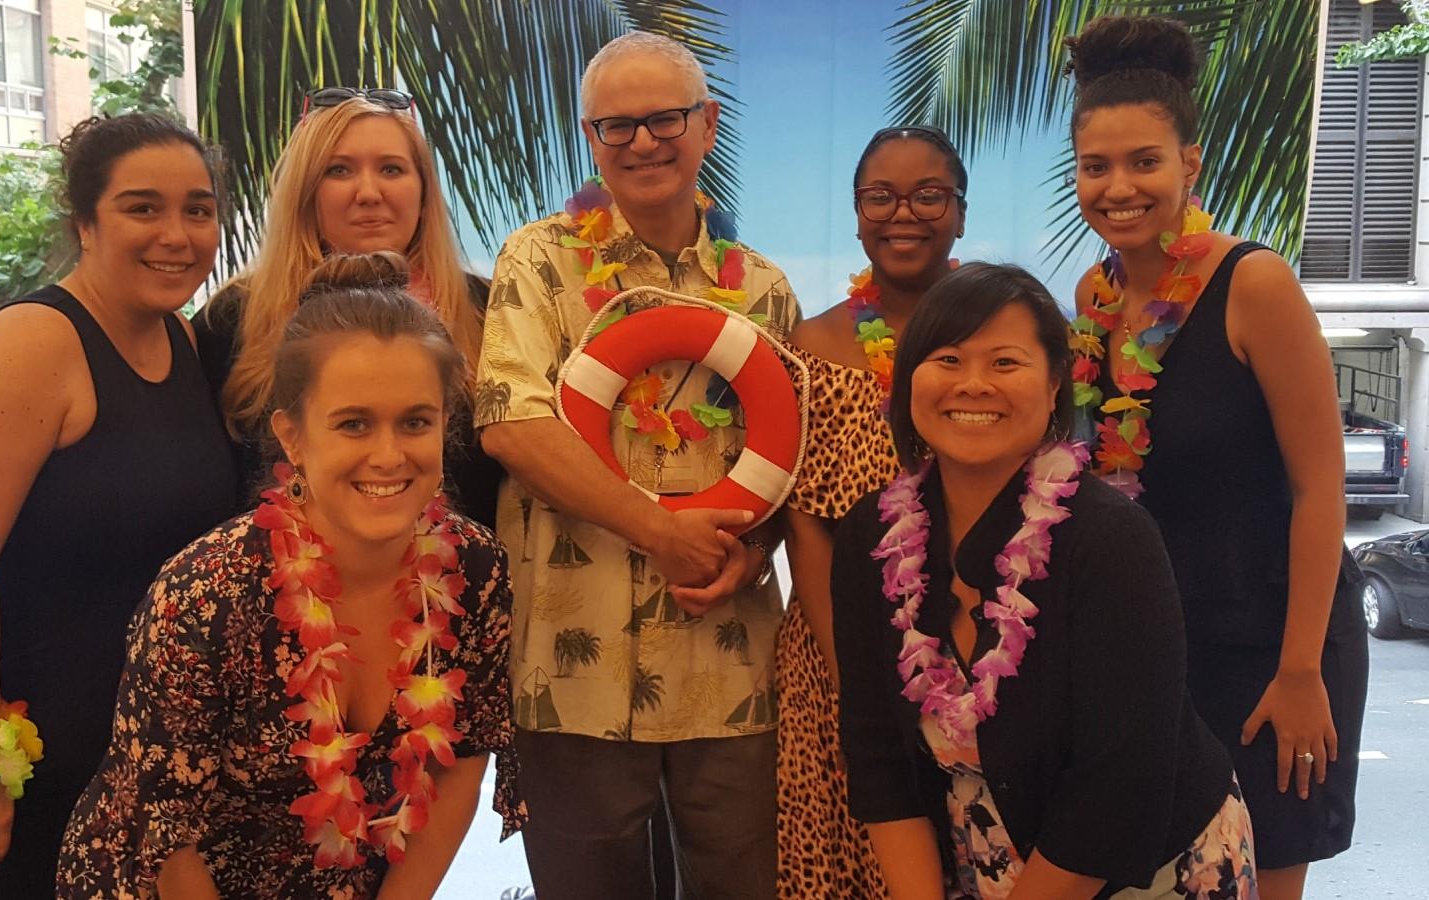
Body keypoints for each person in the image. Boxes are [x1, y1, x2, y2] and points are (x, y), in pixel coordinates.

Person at [0, 113, 238, 898]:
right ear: (85, 222)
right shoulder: (35, 339)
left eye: (198, 209)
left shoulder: (184, 342)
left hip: (113, 748)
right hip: (4, 742)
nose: (177, 233)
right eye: (143, 207)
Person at [58, 253, 519, 898]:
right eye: (353, 423)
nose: (389, 455)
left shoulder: (476, 570)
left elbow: (458, 772)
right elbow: (164, 841)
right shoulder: (206, 594)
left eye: (416, 421)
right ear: (293, 437)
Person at [475, 31, 800, 899]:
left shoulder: (763, 290)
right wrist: (659, 530)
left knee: (747, 885)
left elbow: (784, 459)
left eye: (665, 119)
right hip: (573, 665)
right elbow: (511, 424)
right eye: (618, 127)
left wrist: (751, 550)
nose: (644, 142)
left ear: (708, 125)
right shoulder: (538, 261)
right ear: (591, 139)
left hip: (727, 657)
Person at [833, 262, 1257, 900]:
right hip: (983, 855)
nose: (973, 385)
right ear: (909, 376)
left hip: (1147, 869)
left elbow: (1119, 783)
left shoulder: (1111, 539)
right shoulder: (872, 531)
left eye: (1005, 363)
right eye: (947, 358)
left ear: (1056, 384)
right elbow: (875, 752)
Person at [1063, 16, 1367, 898]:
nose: (1119, 187)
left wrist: (1301, 669)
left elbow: (1320, 489)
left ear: (1189, 165)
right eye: (1096, 167)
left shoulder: (1254, 285)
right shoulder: (1098, 293)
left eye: (1144, 162)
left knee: (1263, 876)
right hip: (1161, 638)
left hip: (1272, 641)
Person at [775, 125, 967, 899]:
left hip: (984, 656)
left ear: (959, 211)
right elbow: (806, 525)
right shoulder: (810, 347)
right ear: (856, 216)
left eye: (928, 195)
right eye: (880, 197)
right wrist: (854, 673)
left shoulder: (1001, 335)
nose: (903, 214)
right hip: (838, 663)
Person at [194, 87, 501, 526]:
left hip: (458, 585)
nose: (369, 192)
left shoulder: (488, 310)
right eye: (338, 170)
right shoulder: (232, 318)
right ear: (306, 191)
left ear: (424, 190)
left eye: (392, 169)